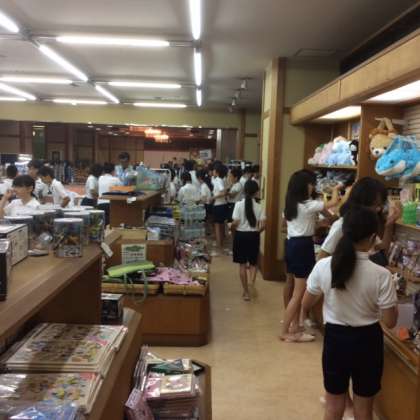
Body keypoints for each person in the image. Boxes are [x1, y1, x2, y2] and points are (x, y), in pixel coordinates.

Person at [302, 206, 398, 420]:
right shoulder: (382, 275)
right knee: (364, 410)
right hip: (368, 341)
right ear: (373, 238)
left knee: (333, 407)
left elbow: (306, 302)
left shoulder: (324, 266)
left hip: (335, 340)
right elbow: (390, 321)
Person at [280, 170, 341, 343]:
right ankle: (285, 331)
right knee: (299, 293)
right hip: (302, 247)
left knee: (295, 289)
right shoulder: (308, 204)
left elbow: (302, 224)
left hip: (292, 245)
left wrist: (319, 223)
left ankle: (295, 326)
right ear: (304, 186)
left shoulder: (292, 204)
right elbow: (334, 202)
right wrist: (336, 188)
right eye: (311, 184)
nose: (313, 187)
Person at [319, 177, 401, 262]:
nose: (378, 209)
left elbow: (380, 248)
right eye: (375, 205)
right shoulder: (341, 225)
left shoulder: (367, 222)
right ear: (362, 202)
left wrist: (389, 224)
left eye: (380, 205)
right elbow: (321, 257)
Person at [231, 180, 266, 301]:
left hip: (240, 236)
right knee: (253, 263)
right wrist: (257, 232)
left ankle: (246, 292)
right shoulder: (259, 207)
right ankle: (251, 284)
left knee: (242, 265)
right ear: (256, 192)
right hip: (253, 236)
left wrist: (231, 227)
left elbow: (235, 222)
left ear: (244, 191)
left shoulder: (238, 205)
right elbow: (263, 225)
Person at [212, 164, 229, 256]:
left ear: (217, 172)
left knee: (217, 226)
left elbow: (223, 192)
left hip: (218, 205)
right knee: (221, 225)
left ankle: (219, 248)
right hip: (223, 204)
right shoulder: (222, 180)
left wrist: (213, 197)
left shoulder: (218, 180)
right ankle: (221, 244)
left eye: (214, 170)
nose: (213, 172)